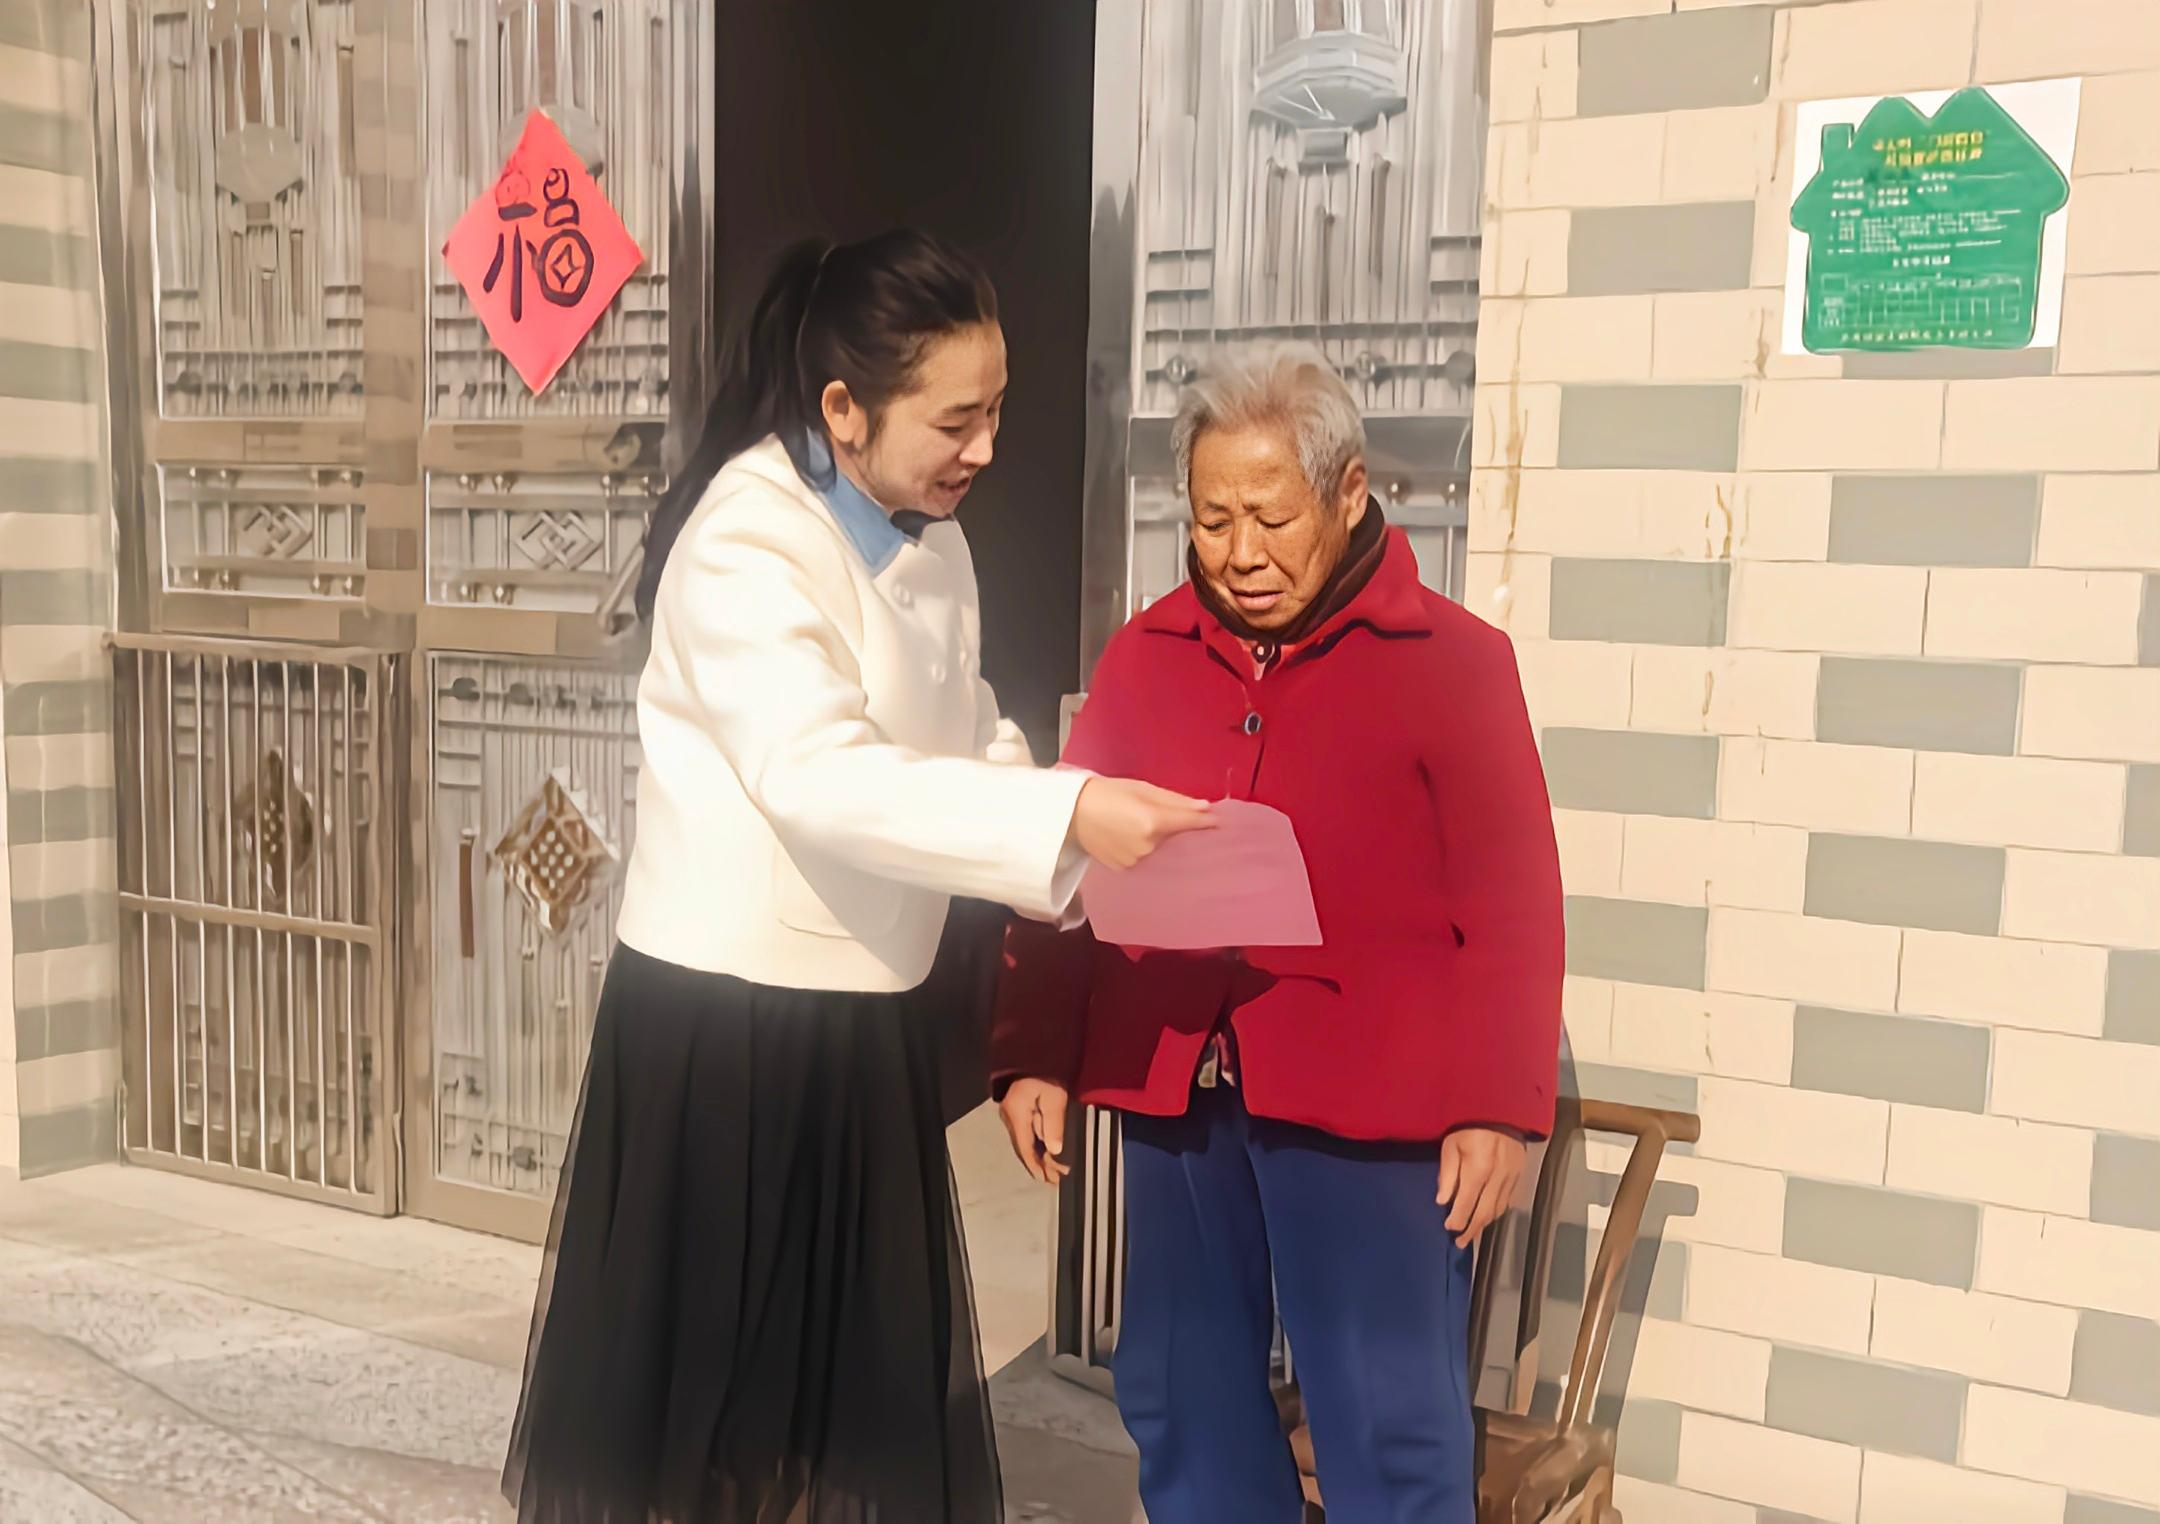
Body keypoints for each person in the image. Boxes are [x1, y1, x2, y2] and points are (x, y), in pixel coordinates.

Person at [503, 228, 1212, 1524]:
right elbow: (818, 773)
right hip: (732, 1033)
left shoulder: (932, 538)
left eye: (997, 410)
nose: (985, 447)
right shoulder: (748, 542)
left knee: (848, 1407)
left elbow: (960, 729)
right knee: (718, 1417)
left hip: (859, 1022)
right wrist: (1064, 816)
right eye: (957, 419)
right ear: (844, 408)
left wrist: (1082, 841)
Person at [991, 345, 1564, 1523]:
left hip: (1372, 1108)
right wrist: (1034, 1046)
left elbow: (1513, 899)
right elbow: (1065, 850)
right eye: (1211, 521)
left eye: (1270, 517)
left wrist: (1498, 1106)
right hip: (1180, 1090)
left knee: (1385, 1416)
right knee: (1178, 1389)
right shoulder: (1146, 654)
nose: (1239, 554)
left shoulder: (1454, 664)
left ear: (1348, 494)